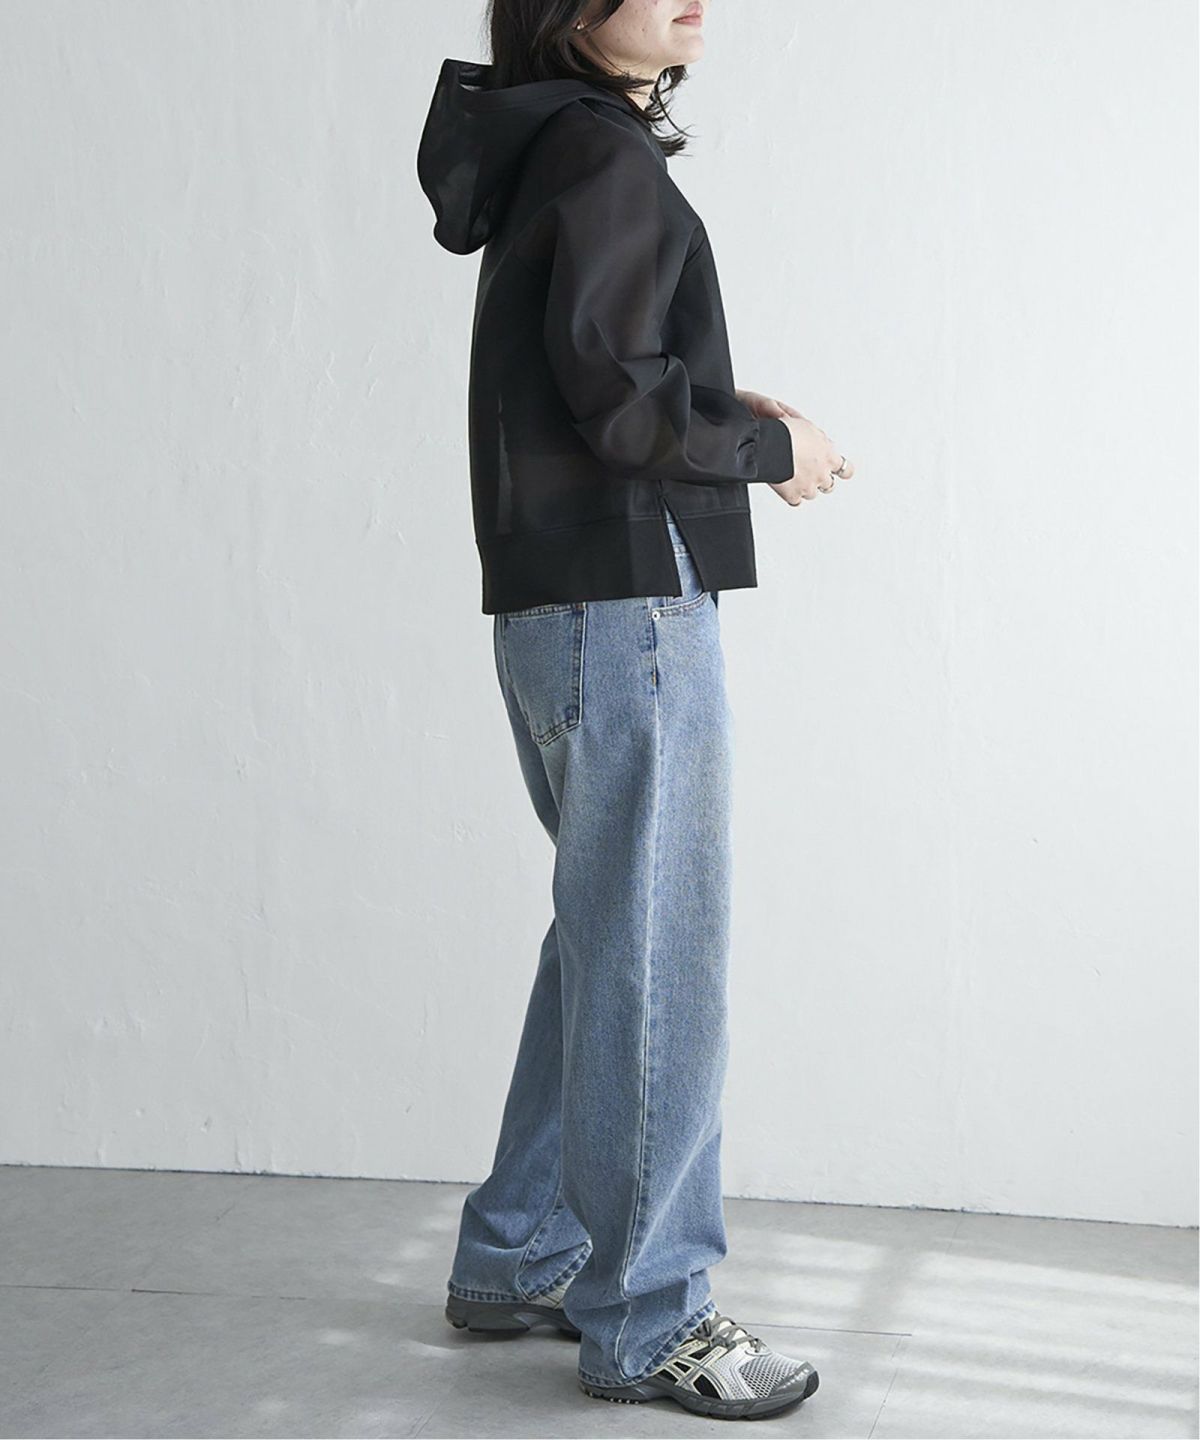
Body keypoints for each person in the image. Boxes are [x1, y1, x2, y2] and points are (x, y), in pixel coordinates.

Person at [417, 0, 852, 1420]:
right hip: (627, 607)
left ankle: (521, 1250)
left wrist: (723, 405)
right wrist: (766, 448)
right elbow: (619, 405)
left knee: (611, 932)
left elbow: (602, 380)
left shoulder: (554, 147)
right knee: (654, 947)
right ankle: (652, 1314)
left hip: (569, 606)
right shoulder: (600, 153)